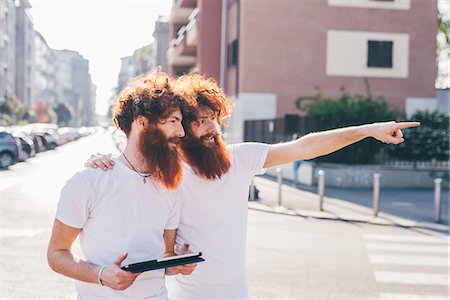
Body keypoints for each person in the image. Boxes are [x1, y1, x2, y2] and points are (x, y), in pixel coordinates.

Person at [87, 73, 420, 300]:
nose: (210, 128)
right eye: (198, 121)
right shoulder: (166, 171)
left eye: (212, 117)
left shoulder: (240, 158)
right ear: (182, 130)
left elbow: (305, 146)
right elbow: (148, 231)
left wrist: (367, 130)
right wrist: (102, 160)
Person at [47, 71, 196, 300]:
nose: (182, 132)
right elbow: (56, 254)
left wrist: (177, 264)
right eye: (174, 121)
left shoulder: (171, 187)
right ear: (142, 123)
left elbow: (163, 256)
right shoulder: (89, 181)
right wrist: (101, 274)